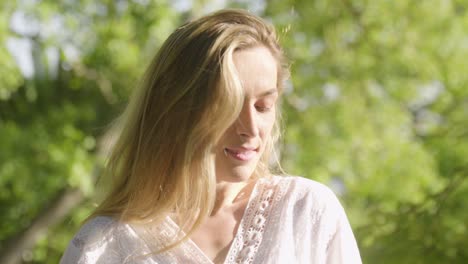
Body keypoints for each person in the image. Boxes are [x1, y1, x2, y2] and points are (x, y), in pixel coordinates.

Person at [61, 8, 362, 264]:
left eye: (263, 106)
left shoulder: (306, 212)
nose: (251, 128)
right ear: (175, 110)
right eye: (228, 106)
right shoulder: (103, 247)